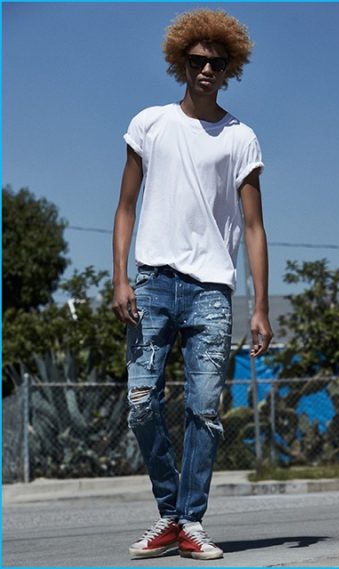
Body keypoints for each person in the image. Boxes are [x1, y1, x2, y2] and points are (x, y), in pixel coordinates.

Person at [111, 9, 272, 560]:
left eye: (217, 62)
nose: (206, 68)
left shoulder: (240, 137)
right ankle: (169, 513)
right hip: (152, 284)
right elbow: (125, 205)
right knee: (140, 405)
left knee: (205, 409)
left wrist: (259, 307)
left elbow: (253, 226)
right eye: (198, 60)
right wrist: (119, 278)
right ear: (181, 62)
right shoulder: (149, 124)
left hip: (211, 292)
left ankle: (190, 521)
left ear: (231, 69)